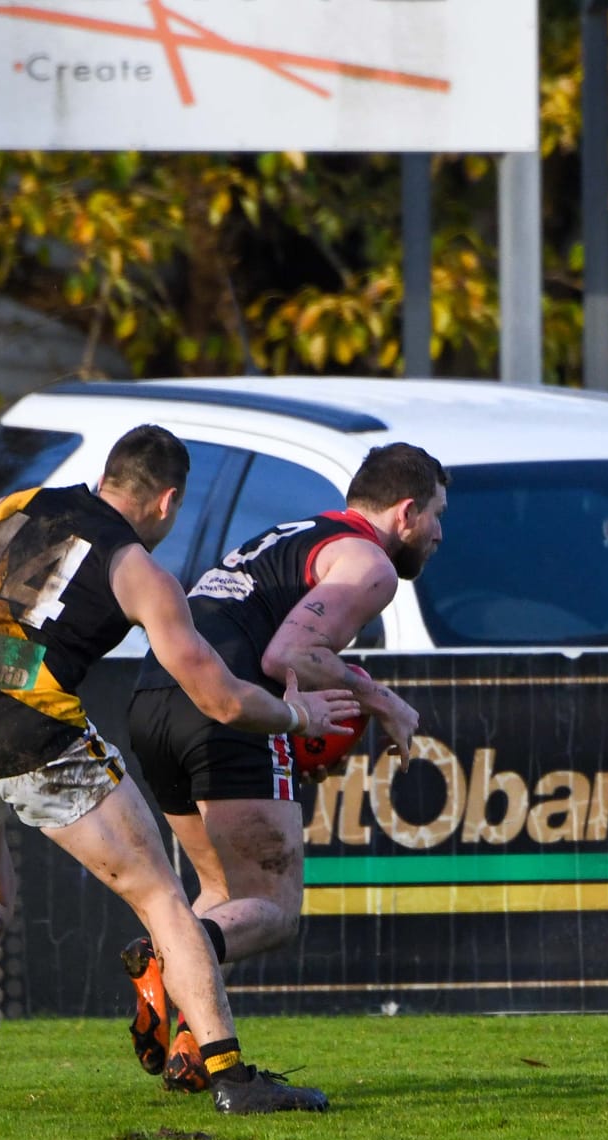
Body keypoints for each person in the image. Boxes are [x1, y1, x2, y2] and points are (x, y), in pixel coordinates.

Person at [0, 423, 353, 1115]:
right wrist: (297, 716)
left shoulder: (19, 505)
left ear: (107, 477)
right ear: (168, 500)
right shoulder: (135, 566)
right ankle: (230, 1077)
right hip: (31, 732)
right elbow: (221, 699)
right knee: (163, 899)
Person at [125, 441, 445, 1091]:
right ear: (407, 512)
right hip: (225, 708)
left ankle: (190, 1044)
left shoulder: (296, 532)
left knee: (224, 890)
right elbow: (288, 655)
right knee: (273, 907)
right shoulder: (371, 563)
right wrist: (380, 698)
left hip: (153, 698)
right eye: (438, 515)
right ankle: (168, 956)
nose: (440, 533)